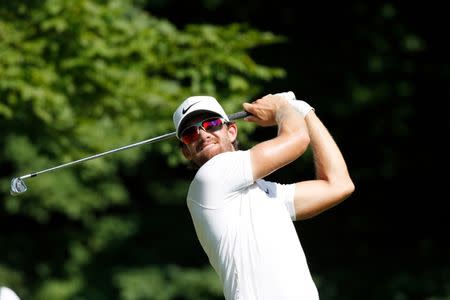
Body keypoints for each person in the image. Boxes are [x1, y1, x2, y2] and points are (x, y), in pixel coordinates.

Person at [172, 92, 355, 300]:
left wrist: (305, 112)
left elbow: (339, 184)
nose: (203, 134)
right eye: (190, 134)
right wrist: (282, 108)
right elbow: (297, 139)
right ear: (186, 152)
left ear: (231, 131)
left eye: (212, 123)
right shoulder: (210, 177)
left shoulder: (266, 193)